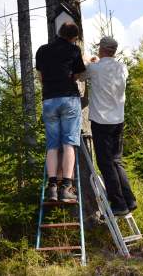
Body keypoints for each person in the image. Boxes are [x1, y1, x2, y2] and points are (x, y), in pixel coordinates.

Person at [83, 36, 137, 216]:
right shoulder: (122, 68)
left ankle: (119, 204)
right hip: (118, 120)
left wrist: (88, 60)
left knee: (106, 163)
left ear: (102, 49)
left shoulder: (95, 69)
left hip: (102, 121)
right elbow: (106, 70)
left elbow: (82, 75)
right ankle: (129, 199)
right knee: (116, 161)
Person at [35, 22, 86, 203]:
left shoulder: (42, 50)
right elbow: (79, 74)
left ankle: (52, 188)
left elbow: (40, 76)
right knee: (69, 143)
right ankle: (66, 187)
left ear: (59, 32)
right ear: (73, 37)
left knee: (52, 144)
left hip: (49, 99)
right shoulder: (74, 50)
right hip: (69, 99)